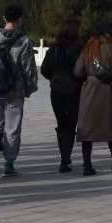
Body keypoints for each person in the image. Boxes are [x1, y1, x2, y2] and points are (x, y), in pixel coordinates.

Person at [0, 4, 37, 178]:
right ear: (20, 19)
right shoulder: (24, 41)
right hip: (14, 91)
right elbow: (28, 68)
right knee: (12, 129)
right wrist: (29, 88)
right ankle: (9, 164)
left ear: (4, 18)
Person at [73, 29, 112, 176]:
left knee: (87, 129)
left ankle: (87, 165)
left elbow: (78, 71)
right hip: (108, 91)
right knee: (110, 126)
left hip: (89, 91)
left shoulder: (88, 49)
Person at [39, 21, 82, 173]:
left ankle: (64, 157)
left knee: (61, 124)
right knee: (71, 124)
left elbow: (44, 70)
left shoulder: (53, 50)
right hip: (74, 91)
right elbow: (83, 70)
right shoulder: (79, 50)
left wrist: (54, 78)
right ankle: (66, 157)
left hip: (57, 91)